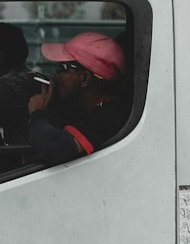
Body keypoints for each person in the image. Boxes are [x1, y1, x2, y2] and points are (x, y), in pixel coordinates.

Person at [26, 30, 130, 165]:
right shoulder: (87, 108)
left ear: (84, 78)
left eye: (63, 68)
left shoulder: (110, 116)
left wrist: (38, 113)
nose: (56, 75)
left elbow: (55, 149)